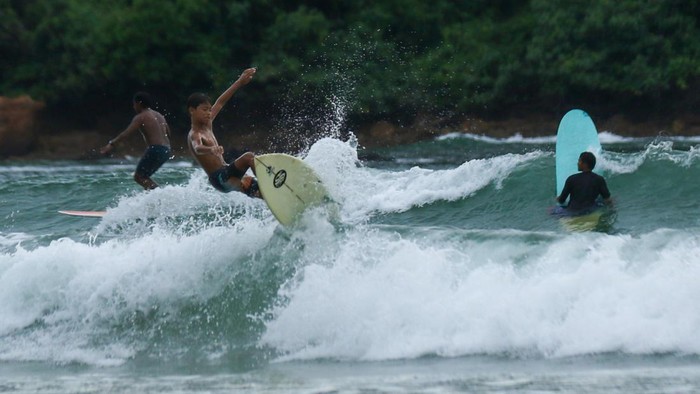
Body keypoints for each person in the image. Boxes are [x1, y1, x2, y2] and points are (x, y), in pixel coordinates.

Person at [186, 68, 260, 197]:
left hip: (227, 172)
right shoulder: (195, 133)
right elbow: (198, 148)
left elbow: (220, 102)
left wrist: (240, 81)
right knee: (248, 157)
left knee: (257, 189)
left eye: (209, 110)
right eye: (204, 110)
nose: (209, 113)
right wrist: (211, 149)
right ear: (192, 110)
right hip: (219, 177)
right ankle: (269, 184)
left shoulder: (207, 124)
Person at [100, 92, 172, 190]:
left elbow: (125, 134)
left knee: (139, 177)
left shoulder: (141, 117)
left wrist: (111, 145)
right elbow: (168, 133)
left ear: (139, 103)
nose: (133, 106)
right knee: (144, 177)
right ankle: (156, 196)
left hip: (156, 149)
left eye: (134, 104)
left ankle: (160, 196)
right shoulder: (159, 115)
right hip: (166, 150)